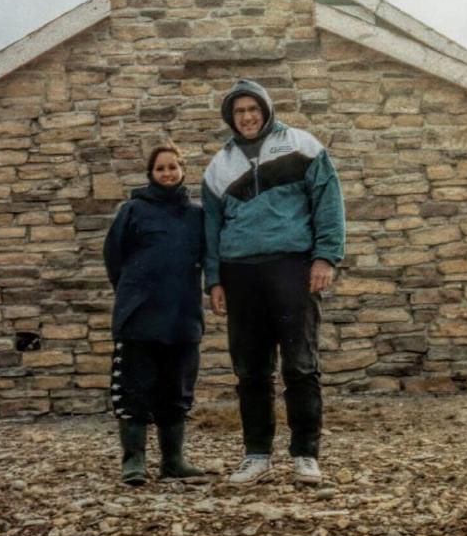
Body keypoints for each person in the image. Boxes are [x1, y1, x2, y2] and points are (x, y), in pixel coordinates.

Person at [202, 79, 345, 487]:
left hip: (292, 267)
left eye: (253, 109)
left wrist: (325, 256)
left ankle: (305, 455)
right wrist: (214, 279)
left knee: (300, 365)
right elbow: (210, 227)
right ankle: (257, 455)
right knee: (251, 370)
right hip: (240, 272)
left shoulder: (303, 146)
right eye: (239, 111)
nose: (247, 117)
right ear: (230, 117)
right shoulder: (219, 165)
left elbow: (328, 201)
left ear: (266, 110)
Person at [103, 142, 207, 486]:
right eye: (160, 168)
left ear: (183, 170)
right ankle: (134, 461)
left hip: (182, 316)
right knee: (134, 389)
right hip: (139, 317)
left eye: (172, 167)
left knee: (177, 389)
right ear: (151, 173)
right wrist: (134, 293)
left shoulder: (197, 215)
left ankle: (173, 461)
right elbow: (114, 259)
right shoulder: (132, 210)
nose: (167, 173)